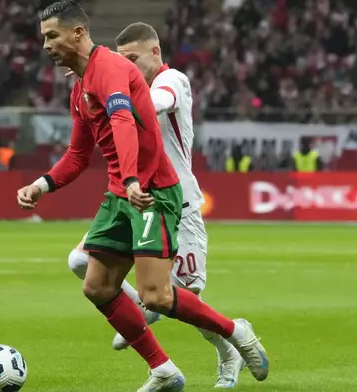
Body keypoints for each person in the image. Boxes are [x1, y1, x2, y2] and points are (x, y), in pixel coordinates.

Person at [16, 3, 268, 391]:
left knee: (164, 295)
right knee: (94, 282)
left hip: (157, 193)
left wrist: (133, 176)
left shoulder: (133, 74)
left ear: (79, 33)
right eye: (44, 37)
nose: (45, 45)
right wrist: (42, 184)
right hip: (123, 193)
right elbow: (78, 154)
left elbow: (125, 118)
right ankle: (163, 369)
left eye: (52, 35)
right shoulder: (83, 87)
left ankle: (236, 333)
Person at [65, 21, 248, 389]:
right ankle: (144, 312)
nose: (127, 67)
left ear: (154, 52)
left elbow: (155, 105)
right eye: (121, 61)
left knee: (184, 298)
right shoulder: (123, 82)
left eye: (132, 59)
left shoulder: (172, 80)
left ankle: (230, 351)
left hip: (179, 206)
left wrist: (99, 82)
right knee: (81, 261)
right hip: (135, 201)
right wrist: (93, 78)